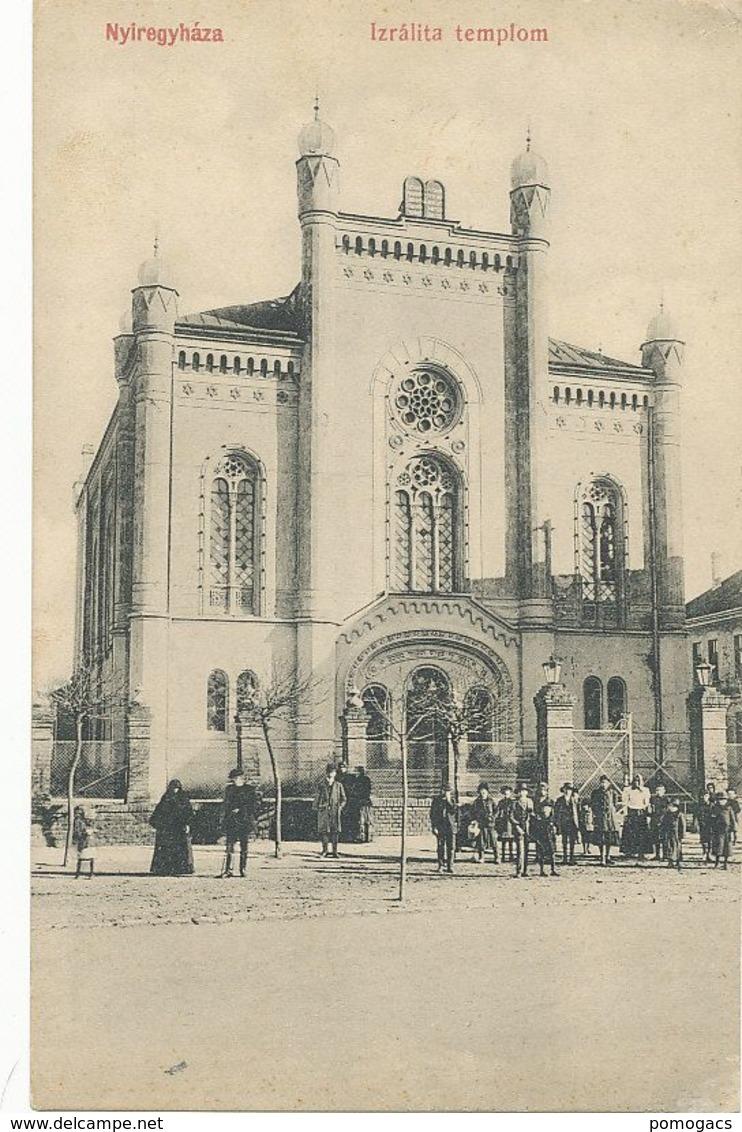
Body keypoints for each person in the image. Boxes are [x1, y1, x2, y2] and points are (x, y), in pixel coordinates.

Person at [149, 779, 195, 876]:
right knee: (167, 848)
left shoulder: (183, 798)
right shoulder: (166, 797)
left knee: (180, 848)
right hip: (168, 828)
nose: (175, 790)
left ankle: (182, 868)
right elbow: (159, 811)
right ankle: (165, 868)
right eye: (173, 788)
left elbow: (188, 812)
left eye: (177, 788)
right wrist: (157, 823)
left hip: (179, 827)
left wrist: (187, 824)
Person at [221, 767, 258, 878]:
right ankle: (228, 870)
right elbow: (226, 804)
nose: (234, 780)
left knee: (244, 846)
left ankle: (243, 869)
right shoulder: (229, 789)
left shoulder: (249, 790)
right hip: (232, 821)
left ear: (241, 778)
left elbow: (253, 805)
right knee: (229, 846)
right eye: (233, 778)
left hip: (244, 821)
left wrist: (241, 810)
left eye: (236, 778)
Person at [314, 763, 347, 857]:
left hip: (335, 811)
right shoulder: (321, 785)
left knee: (335, 831)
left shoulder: (338, 785)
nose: (331, 774)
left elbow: (344, 798)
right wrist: (318, 807)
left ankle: (335, 851)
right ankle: (324, 851)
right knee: (324, 831)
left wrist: (340, 807)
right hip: (324, 811)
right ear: (326, 773)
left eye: (333, 772)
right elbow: (317, 797)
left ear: (335, 773)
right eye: (329, 772)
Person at [620, 774, 652, 861]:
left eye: (639, 781)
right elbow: (625, 803)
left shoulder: (645, 790)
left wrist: (647, 815)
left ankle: (641, 853)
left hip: (641, 813)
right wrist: (625, 814)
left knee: (641, 833)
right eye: (635, 781)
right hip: (631, 813)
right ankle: (629, 852)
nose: (637, 783)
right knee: (630, 833)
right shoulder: (627, 790)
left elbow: (646, 803)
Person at [590, 776, 619, 866]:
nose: (603, 784)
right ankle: (602, 857)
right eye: (602, 782)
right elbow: (593, 805)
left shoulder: (613, 793)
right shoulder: (595, 793)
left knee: (609, 837)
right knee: (601, 838)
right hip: (600, 817)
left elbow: (615, 805)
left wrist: (611, 812)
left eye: (605, 782)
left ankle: (608, 856)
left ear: (609, 783)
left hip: (610, 818)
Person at [430, 784, 458, 873]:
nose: (445, 793)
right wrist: (434, 827)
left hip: (450, 827)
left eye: (448, 791)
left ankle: (450, 866)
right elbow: (433, 815)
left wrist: (449, 800)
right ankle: (440, 865)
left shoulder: (453, 801)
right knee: (440, 847)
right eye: (444, 791)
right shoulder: (436, 801)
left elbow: (454, 811)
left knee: (451, 847)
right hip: (441, 826)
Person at [472, 781, 498, 864]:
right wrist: (476, 820)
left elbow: (496, 811)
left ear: (487, 792)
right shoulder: (477, 802)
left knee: (493, 840)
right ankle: (482, 857)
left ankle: (497, 857)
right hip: (481, 824)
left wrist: (493, 817)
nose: (483, 793)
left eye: (484, 791)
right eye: (481, 791)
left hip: (490, 824)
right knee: (481, 841)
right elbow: (473, 812)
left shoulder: (491, 801)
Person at [709, 791, 737, 869]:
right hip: (718, 831)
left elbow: (733, 820)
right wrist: (712, 828)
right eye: (720, 799)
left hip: (727, 831)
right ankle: (717, 863)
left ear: (726, 800)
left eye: (724, 799)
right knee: (718, 847)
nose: (722, 801)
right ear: (717, 800)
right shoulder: (715, 808)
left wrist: (734, 831)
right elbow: (711, 819)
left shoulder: (729, 808)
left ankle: (725, 863)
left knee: (727, 848)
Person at [553, 783, 580, 865]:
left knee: (572, 841)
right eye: (566, 789)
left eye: (570, 790)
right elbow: (556, 812)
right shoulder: (559, 800)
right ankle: (565, 858)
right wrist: (557, 823)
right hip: (564, 822)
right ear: (563, 790)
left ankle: (571, 858)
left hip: (572, 823)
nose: (568, 791)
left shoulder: (575, 800)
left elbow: (578, 812)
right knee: (564, 841)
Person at [511, 784, 534, 877]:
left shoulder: (530, 802)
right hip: (518, 828)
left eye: (524, 791)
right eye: (520, 791)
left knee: (526, 850)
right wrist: (517, 827)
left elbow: (531, 814)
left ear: (527, 792)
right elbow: (511, 816)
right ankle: (519, 870)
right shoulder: (514, 803)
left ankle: (525, 870)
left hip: (528, 828)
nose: (522, 793)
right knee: (520, 850)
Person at [531, 800, 559, 876]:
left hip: (551, 838)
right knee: (542, 854)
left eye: (548, 808)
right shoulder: (538, 819)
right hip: (542, 838)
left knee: (552, 853)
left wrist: (556, 830)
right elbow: (534, 829)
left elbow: (557, 826)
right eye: (545, 809)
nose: (546, 810)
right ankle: (542, 871)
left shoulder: (553, 818)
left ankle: (553, 870)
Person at [658, 799, 685, 870]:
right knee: (668, 847)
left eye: (670, 805)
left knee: (676, 847)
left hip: (676, 834)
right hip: (667, 833)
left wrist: (682, 834)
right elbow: (662, 824)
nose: (668, 807)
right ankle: (670, 861)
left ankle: (677, 861)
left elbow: (682, 825)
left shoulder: (679, 814)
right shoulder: (666, 814)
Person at [72, 805, 95, 879]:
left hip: (87, 841)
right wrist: (86, 833)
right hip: (83, 840)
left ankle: (85, 874)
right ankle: (79, 874)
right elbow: (77, 832)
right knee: (82, 857)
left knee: (89, 857)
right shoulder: (78, 821)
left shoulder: (83, 821)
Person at [495, 785, 516, 862]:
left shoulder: (512, 802)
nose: (506, 795)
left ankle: (511, 855)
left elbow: (514, 811)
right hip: (503, 822)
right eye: (505, 793)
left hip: (510, 822)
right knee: (503, 840)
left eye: (508, 793)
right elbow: (497, 811)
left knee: (510, 839)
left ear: (510, 793)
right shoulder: (501, 802)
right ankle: (503, 855)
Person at [649, 782, 670, 860]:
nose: (658, 792)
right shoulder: (653, 799)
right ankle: (657, 855)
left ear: (664, 791)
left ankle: (665, 855)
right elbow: (650, 809)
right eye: (657, 790)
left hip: (664, 821)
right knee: (655, 839)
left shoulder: (667, 799)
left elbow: (668, 811)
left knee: (664, 839)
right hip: (654, 820)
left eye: (660, 790)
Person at [697, 782, 716, 862]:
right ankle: (704, 853)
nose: (703, 798)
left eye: (705, 796)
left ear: (708, 796)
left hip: (710, 825)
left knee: (711, 840)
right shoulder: (699, 806)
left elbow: (715, 816)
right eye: (702, 796)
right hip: (702, 825)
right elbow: (697, 816)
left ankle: (710, 854)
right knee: (704, 840)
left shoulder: (712, 806)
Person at [355, 767, 374, 843]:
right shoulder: (367, 779)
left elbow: (357, 791)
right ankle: (368, 837)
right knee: (368, 820)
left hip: (362, 802)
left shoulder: (358, 780)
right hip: (367, 802)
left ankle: (362, 837)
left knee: (362, 820)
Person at [578, 791, 595, 855]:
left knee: (589, 839)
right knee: (584, 838)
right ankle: (585, 850)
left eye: (586, 805)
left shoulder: (591, 812)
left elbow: (593, 818)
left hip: (590, 827)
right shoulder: (582, 812)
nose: (584, 807)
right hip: (583, 826)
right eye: (584, 805)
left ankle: (588, 848)